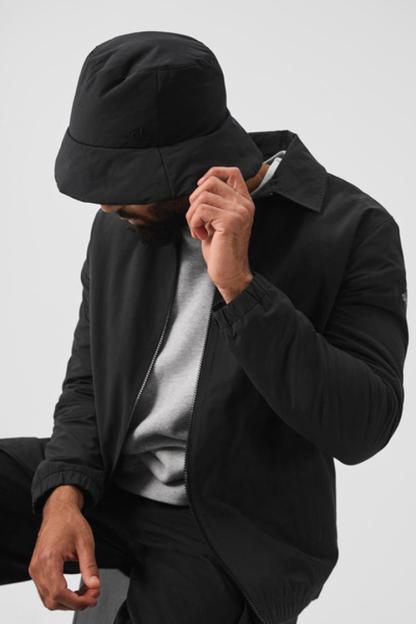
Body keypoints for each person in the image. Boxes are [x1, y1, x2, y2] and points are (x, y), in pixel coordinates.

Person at [0, 30, 408, 624]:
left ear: (189, 159)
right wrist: (63, 493)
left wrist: (241, 287)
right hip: (110, 481)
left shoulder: (353, 229)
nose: (107, 205)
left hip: (235, 525)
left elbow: (363, 427)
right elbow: (89, 381)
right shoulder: (120, 224)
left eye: (125, 183)